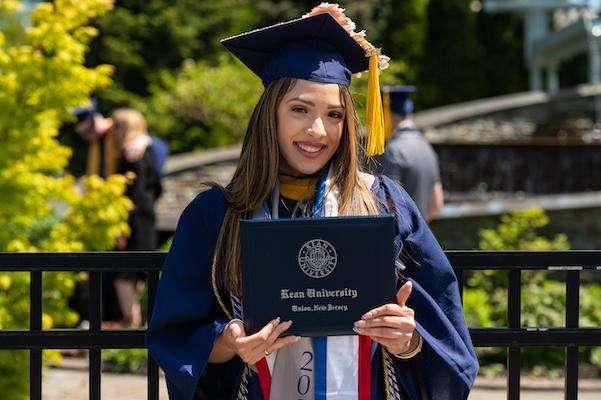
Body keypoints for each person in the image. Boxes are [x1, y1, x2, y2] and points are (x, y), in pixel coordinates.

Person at [146, 4, 478, 400]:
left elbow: (444, 333)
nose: (317, 131)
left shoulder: (383, 202)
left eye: (334, 114)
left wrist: (408, 340)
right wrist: (230, 342)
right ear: (271, 116)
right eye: (299, 109)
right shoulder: (216, 214)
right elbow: (179, 334)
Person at [110, 108, 163, 326]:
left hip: (134, 221)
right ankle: (136, 322)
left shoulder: (132, 155)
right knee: (139, 272)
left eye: (117, 126)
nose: (113, 131)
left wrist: (121, 226)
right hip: (146, 219)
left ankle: (132, 322)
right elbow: (157, 188)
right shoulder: (145, 151)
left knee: (124, 272)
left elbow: (131, 195)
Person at [376, 86, 444, 223]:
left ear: (387, 115)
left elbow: (387, 206)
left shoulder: (393, 151)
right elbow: (437, 203)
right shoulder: (427, 146)